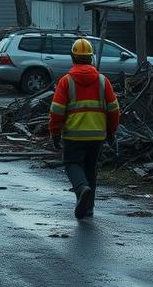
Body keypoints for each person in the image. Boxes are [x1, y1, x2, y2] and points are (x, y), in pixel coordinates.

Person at [48, 38, 120, 220]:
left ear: (73, 57)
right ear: (91, 58)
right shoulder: (103, 81)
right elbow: (114, 110)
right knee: (90, 168)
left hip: (74, 134)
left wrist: (55, 132)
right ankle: (88, 208)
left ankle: (81, 189)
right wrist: (111, 132)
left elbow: (56, 110)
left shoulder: (66, 81)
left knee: (72, 164)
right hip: (97, 135)